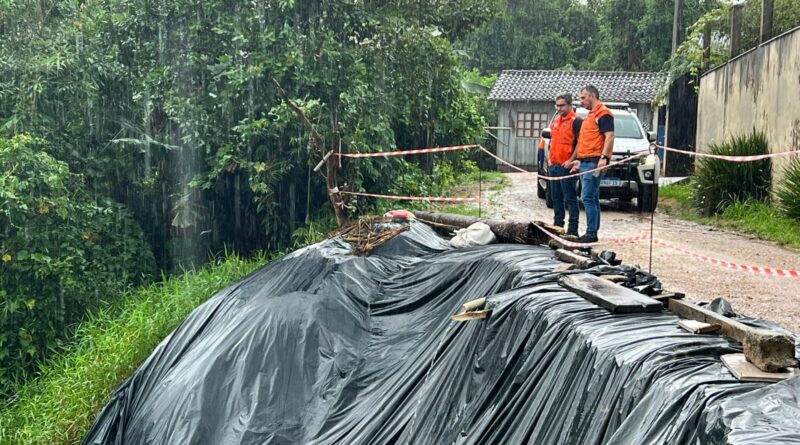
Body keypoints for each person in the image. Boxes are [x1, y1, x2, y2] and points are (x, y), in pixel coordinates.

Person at [572, 85, 615, 243]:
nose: (581, 101)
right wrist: (578, 159)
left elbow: (610, 136)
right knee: (592, 197)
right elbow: (586, 140)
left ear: (593, 96)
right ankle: (592, 231)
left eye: (583, 98)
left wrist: (604, 157)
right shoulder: (591, 115)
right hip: (585, 161)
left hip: (594, 162)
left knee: (587, 197)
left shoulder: (603, 113)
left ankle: (591, 233)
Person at [548, 94, 582, 237]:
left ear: (570, 105)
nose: (559, 108)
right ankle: (558, 226)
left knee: (570, 198)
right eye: (557, 105)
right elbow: (552, 141)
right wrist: (549, 159)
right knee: (555, 198)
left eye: (562, 105)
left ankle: (573, 229)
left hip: (566, 166)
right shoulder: (556, 121)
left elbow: (580, 143)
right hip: (554, 165)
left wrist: (571, 161)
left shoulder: (577, 121)